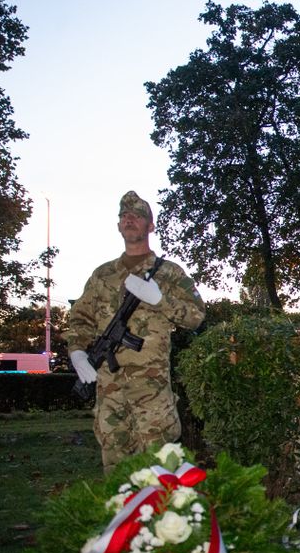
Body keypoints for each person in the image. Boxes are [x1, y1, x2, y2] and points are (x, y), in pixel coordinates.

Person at [67, 191, 205, 472]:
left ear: (150, 226)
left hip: (152, 394)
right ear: (118, 226)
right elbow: (80, 318)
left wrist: (160, 300)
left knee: (159, 472)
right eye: (124, 216)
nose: (130, 220)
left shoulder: (169, 273)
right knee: (115, 472)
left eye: (138, 216)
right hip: (110, 391)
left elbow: (197, 317)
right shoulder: (102, 275)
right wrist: (78, 353)